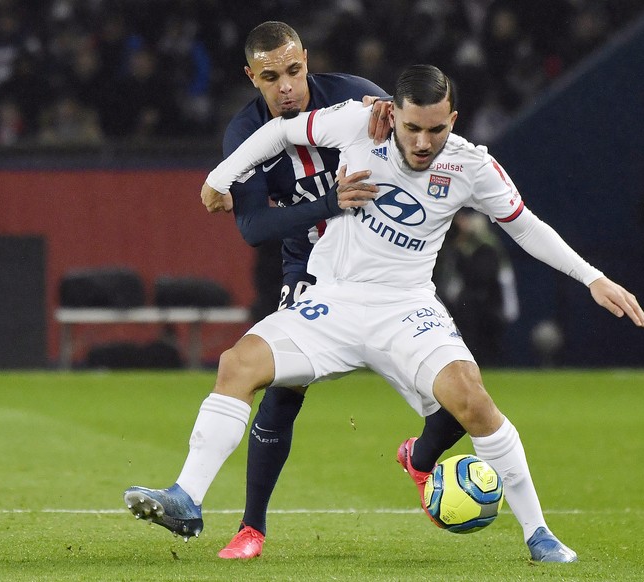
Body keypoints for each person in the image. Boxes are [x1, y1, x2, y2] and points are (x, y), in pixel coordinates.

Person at [125, 64, 644, 563]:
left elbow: (526, 226)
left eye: (436, 130)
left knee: (472, 397)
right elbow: (282, 133)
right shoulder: (359, 121)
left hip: (406, 306)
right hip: (332, 299)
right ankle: (187, 499)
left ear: (453, 121)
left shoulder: (470, 164)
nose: (423, 143)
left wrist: (592, 278)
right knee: (237, 365)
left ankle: (540, 535)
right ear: (392, 113)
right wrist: (220, 177)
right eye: (413, 127)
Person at [161, 22, 467, 560]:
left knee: (460, 403)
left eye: (294, 71)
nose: (285, 87)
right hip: (308, 268)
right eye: (270, 76)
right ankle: (250, 529)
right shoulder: (245, 131)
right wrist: (331, 203)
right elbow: (254, 228)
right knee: (280, 388)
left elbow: (424, 145)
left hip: (384, 270)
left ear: (307, 59)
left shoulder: (358, 97)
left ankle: (419, 455)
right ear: (251, 77)